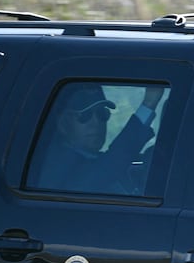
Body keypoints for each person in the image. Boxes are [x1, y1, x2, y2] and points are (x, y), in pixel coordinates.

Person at [28, 82, 164, 194]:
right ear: (63, 124)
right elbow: (107, 167)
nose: (96, 123)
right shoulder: (55, 164)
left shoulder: (94, 159)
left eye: (101, 114)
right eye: (85, 116)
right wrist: (148, 104)